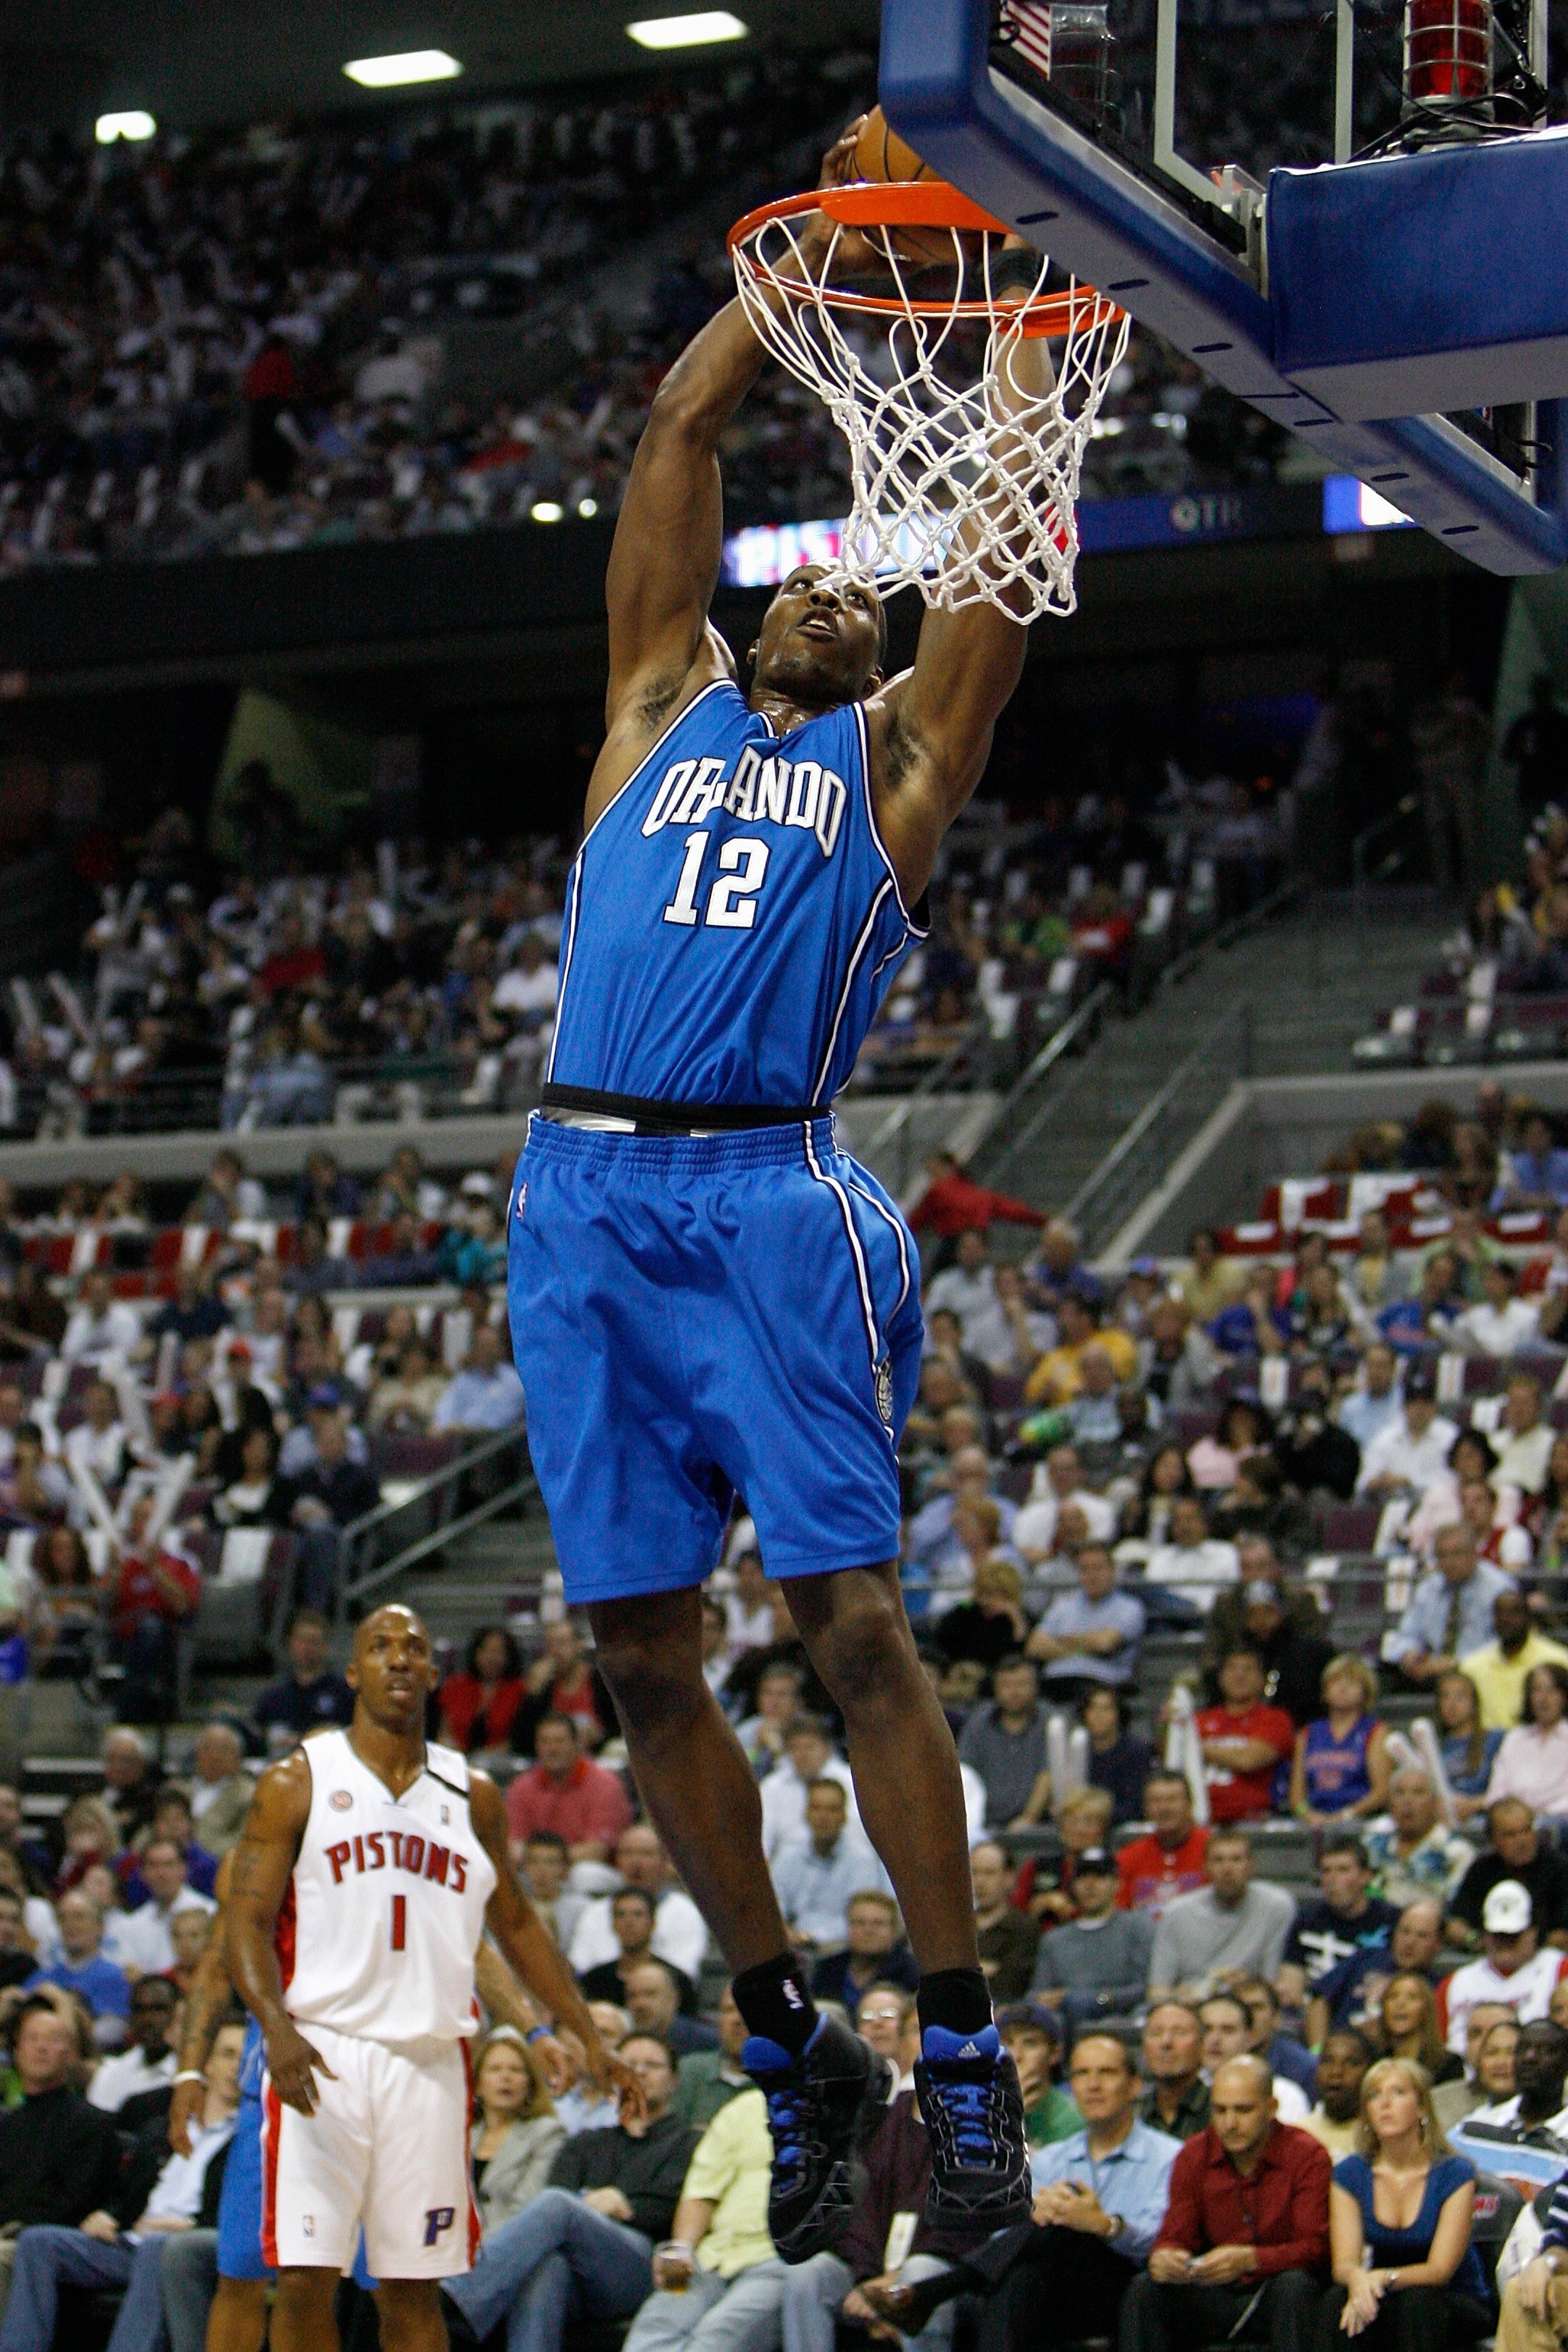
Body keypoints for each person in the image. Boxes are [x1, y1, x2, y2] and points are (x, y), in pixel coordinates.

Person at [501, 120, 1059, 2251]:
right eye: (808, 575)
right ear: (752, 615)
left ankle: (962, 2044)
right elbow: (678, 425)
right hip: (577, 1199)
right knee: (642, 1658)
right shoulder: (652, 705)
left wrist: (1030, 319)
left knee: (847, 1623)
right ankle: (776, 2030)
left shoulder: (893, 766)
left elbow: (996, 552)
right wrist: (807, 263)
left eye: (866, 589)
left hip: (766, 1205)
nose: (837, 583)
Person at [225, 1603, 636, 2351]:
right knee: (308, 2277)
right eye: (380, 1646)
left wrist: (585, 2033)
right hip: (324, 2054)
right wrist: (275, 2028)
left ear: (434, 1673)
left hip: (431, 2064)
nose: (399, 1658)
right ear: (354, 1671)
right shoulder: (297, 1780)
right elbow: (245, 1920)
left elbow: (517, 1925)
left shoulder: (472, 1793)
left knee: (414, 2289)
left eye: (414, 1647)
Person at [865, 2032, 1182, 2351]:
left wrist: (1106, 2226)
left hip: (1127, 2289)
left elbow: (1164, 2242)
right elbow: (1006, 2240)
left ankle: (934, 2291)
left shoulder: (1169, 2157)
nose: (1093, 2085)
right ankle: (934, 2294)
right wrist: (1035, 2214)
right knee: (1020, 2275)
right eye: (1082, 2074)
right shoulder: (1051, 2159)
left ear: (1134, 2085)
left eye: (1107, 2073)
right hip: (1057, 2292)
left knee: (1062, 2230)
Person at [439, 2034, 699, 2352]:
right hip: (578, 2266)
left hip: (643, 2262)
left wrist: (614, 2205)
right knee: (547, 2270)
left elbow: (668, 2208)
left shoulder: (688, 2142)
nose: (640, 2072)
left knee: (558, 2206)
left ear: (673, 2081)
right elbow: (556, 2191)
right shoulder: (586, 2141)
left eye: (652, 2065)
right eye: (630, 2064)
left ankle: (454, 2299)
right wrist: (593, 2203)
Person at [0, 2017, 246, 2352]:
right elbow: (123, 2191)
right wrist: (107, 2214)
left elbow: (245, 2214)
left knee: (159, 2248)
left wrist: (187, 2227)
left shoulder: (252, 2139)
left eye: (245, 2057)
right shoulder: (162, 2129)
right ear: (207, 2064)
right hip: (130, 2241)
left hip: (186, 2245)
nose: (236, 2066)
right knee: (38, 2241)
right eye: (228, 2054)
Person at [1119, 2055, 1330, 2352]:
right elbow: (1176, 2236)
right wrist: (1166, 2257)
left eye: (1243, 2110)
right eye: (1220, 2111)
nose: (1230, 2124)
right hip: (1213, 2289)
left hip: (1275, 2291)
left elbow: (1315, 2249)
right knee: (1145, 2289)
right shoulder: (1194, 2155)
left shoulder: (1306, 2155)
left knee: (1295, 2287)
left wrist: (1251, 2259)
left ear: (1271, 2109)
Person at [1314, 2057, 1488, 2352]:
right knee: (1337, 2301)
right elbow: (1344, 2263)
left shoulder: (1455, 2173)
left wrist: (1384, 2277)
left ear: (1421, 2107)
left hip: (1451, 2298)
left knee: (1417, 2302)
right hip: (1385, 2294)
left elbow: (1439, 2270)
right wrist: (1358, 2281)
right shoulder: (1350, 2173)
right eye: (1374, 2095)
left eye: (1397, 2093)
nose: (1385, 2104)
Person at [620, 2080, 783, 2352]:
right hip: (712, 2259)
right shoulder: (746, 2108)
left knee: (714, 2338)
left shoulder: (834, 2112)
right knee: (655, 2326)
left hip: (776, 2261)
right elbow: (700, 2193)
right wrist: (682, 2250)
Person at [0, 2000, 120, 2316]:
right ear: (16, 2051)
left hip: (45, 2240)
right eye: (32, 2038)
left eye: (53, 2040)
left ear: (71, 2055)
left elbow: (78, 2203)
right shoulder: (7, 2125)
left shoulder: (92, 2123)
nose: (41, 2048)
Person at [1148, 1831, 1295, 2002]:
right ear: (1205, 1868)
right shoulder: (1176, 1913)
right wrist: (1178, 1998)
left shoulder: (1276, 1906)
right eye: (1218, 1860)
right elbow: (1157, 1990)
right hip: (1191, 2003)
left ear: (1251, 1866)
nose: (1227, 1869)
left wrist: (1249, 1984)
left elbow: (1275, 1985)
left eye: (1236, 1860)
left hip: (1250, 2001)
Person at [1385, 1525, 1516, 1690]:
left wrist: (1454, 1664)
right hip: (1429, 1673)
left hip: (1481, 1676)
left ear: (1474, 1553)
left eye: (1456, 1554)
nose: (1449, 1562)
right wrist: (1409, 1654)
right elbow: (1407, 1634)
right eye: (1442, 1555)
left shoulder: (1499, 1589)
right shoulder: (1428, 1588)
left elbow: (1502, 1646)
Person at [1031, 1845, 1153, 2024]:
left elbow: (1145, 1988)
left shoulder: (1137, 1927)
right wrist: (1046, 2000)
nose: (1090, 1885)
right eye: (1082, 1877)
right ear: (1072, 1886)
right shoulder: (1055, 1939)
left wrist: (1100, 2000)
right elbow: (1037, 1994)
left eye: (1100, 1877)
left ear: (1117, 1884)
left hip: (1122, 2019)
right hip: (1067, 2021)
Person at [1443, 1881, 1568, 2052]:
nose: (1505, 1942)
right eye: (1498, 1935)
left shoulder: (1559, 1969)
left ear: (1533, 1931)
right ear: (1485, 1933)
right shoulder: (1456, 1982)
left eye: (1513, 1935)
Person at [1278, 1838, 1399, 2013]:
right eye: (1326, 1871)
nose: (1332, 1879)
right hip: (1313, 2012)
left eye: (1343, 1870)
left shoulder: (1390, 1919)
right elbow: (1292, 1981)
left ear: (1365, 1876)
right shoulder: (1306, 1920)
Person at [471, 2029, 569, 2237]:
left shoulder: (546, 2134)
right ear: (477, 2084)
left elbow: (526, 2212)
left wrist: (478, 2246)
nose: (506, 2077)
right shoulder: (464, 2135)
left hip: (510, 2243)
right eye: (495, 2069)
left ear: (530, 2084)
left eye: (516, 2070)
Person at [505, 1714, 634, 1864]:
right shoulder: (521, 1786)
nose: (553, 1749)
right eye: (545, 1742)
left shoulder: (605, 1785)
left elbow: (597, 1849)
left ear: (576, 1743)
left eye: (560, 1741)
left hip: (591, 1867)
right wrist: (543, 1864)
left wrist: (547, 1862)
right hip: (534, 1868)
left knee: (586, 1872)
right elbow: (513, 1843)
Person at [1024, 1543, 1144, 1705]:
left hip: (1102, 1684)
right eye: (1085, 1569)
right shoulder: (1063, 1606)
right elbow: (1035, 1646)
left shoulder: (1130, 1607)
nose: (1092, 1576)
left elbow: (1105, 1644)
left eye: (1098, 1568)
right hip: (1055, 1682)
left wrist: (1060, 1642)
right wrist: (1084, 1647)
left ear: (1112, 1570)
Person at [1448, 1798, 1568, 1948]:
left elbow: (1564, 1933)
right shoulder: (1481, 1869)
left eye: (1526, 1831)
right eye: (1511, 1835)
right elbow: (1455, 1924)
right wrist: (1476, 1940)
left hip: (1545, 1955)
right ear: (1493, 1839)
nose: (1522, 1841)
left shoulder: (1559, 1868)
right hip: (1488, 1953)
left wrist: (1526, 1947)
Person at [1195, 1652, 1297, 1824]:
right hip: (1200, 1819)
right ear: (1220, 1677)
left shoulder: (1276, 1719)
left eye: (1248, 1669)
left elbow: (1248, 1760)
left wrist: (1194, 1748)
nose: (1239, 1675)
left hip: (1254, 1820)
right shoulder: (1200, 1720)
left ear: (1262, 1679)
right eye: (1232, 1668)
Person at [957, 1656, 1052, 1831]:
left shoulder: (1052, 1721)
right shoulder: (979, 1722)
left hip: (1038, 1826)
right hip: (982, 1822)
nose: (1014, 1692)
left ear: (1036, 1687)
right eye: (1006, 1685)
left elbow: (1048, 1775)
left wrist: (1028, 1818)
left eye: (1022, 1684)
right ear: (995, 1688)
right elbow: (965, 1773)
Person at [1292, 1659, 1390, 1826]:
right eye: (1336, 1682)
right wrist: (1308, 1815)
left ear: (1365, 1693)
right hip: (1314, 1821)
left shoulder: (1375, 1731)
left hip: (1360, 1819)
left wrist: (1345, 1815)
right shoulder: (1308, 1733)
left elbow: (1381, 1792)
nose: (1343, 1688)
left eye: (1352, 1683)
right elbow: (1296, 1798)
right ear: (1325, 1691)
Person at [1361, 1772, 1472, 1911]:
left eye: (1418, 1793)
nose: (1407, 1801)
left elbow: (1457, 1910)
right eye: (1400, 1793)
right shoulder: (1371, 1846)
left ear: (1436, 1802)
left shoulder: (1457, 1852)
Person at [1461, 1591, 1568, 1735]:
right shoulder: (1471, 1667)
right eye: (1500, 1613)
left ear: (1529, 1617)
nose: (1506, 1619)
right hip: (1485, 1744)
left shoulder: (1559, 1660)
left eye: (1514, 1613)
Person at [812, 1889, 921, 2018]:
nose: (868, 1931)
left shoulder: (912, 1972)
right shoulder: (828, 1968)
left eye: (878, 1923)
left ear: (895, 1930)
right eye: (859, 1923)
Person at [252, 1612, 354, 1748]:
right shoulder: (275, 1696)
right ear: (291, 1644)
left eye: (314, 1642)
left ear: (326, 1646)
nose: (307, 1648)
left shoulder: (344, 1693)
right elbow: (258, 1733)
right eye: (302, 1641)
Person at [1118, 1773, 1211, 1916]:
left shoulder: (1214, 1850)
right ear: (1146, 1808)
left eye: (1172, 1800)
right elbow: (1118, 1914)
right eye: (1156, 1801)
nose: (1164, 1808)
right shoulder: (1127, 1858)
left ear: (1190, 1804)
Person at [1488, 1662, 1568, 1818]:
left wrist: (1542, 1816)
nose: (1544, 1699)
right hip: (1513, 1818)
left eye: (1552, 1690)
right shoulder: (1515, 1738)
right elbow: (1497, 1791)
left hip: (1558, 1819)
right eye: (1537, 1690)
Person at [87, 1976, 179, 2111]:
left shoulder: (189, 2075)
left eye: (159, 2009)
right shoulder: (109, 2074)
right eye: (140, 2010)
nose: (148, 2019)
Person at [673, 1985, 752, 2132]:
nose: (738, 2019)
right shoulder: (689, 2070)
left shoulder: (781, 2080)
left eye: (747, 2009)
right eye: (729, 2010)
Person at [968, 1846, 1040, 2006]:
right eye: (974, 1873)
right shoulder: (959, 1928)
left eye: (989, 1873)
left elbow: (1012, 1983)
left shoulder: (1024, 1928)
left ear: (1008, 1878)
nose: (980, 1882)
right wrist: (986, 1969)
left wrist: (967, 1971)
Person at [440, 1628, 528, 1755]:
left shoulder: (519, 1690)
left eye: (498, 1652)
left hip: (502, 1760)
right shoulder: (455, 1686)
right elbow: (444, 1732)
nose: (492, 1658)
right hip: (455, 1756)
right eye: (486, 1650)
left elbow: (518, 1739)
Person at [1432, 2002, 1519, 2132]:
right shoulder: (1439, 2101)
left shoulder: (1546, 2105)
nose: (1485, 2041)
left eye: (1498, 2030)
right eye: (1476, 2034)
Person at [1434, 1668, 1505, 1816]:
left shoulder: (1495, 1740)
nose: (1452, 1705)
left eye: (1460, 1697)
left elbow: (1509, 1787)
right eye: (1445, 1697)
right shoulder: (1432, 1745)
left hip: (1483, 1816)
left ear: (1474, 1704)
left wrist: (1474, 1804)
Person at [1138, 2001, 1211, 2142]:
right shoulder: (1131, 2113)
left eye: (1180, 2033)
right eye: (1156, 2033)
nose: (1166, 2042)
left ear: (1202, 2044)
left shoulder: (1220, 2109)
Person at [1302, 2031, 1374, 2162]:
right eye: (1327, 2061)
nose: (1336, 2071)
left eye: (1351, 2063)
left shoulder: (1380, 2137)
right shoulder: (1298, 2134)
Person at [186, 1724, 254, 1859]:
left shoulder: (250, 1795)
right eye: (207, 1749)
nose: (214, 1756)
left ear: (238, 1756)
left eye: (223, 1749)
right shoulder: (181, 1790)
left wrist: (196, 1852)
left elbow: (246, 1840)